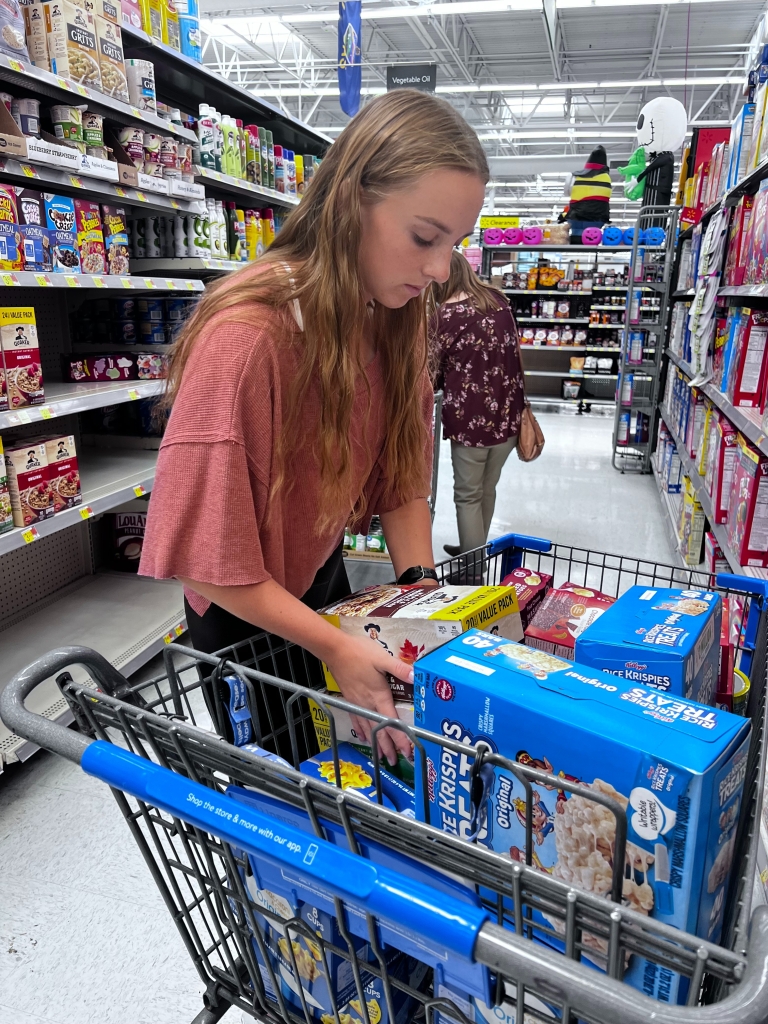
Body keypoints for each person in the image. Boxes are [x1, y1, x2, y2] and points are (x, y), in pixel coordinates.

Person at [139, 90, 488, 765]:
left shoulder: (391, 320)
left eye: (455, 244)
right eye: (424, 237)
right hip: (242, 615)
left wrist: (419, 609)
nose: (442, 270)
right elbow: (211, 561)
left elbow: (400, 479)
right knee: (286, 782)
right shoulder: (246, 339)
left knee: (348, 769)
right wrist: (334, 648)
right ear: (352, 199)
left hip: (317, 571)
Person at [430, 250, 525, 557]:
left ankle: (472, 570)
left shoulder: (444, 316)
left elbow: (431, 372)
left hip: (470, 421)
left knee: (468, 495)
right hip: (509, 416)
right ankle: (474, 547)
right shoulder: (499, 302)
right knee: (487, 488)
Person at [565, 145, 612, 243]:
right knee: (592, 238)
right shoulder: (607, 178)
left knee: (575, 238)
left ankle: (575, 239)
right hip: (597, 219)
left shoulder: (573, 176)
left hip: (575, 218)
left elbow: (566, 193)